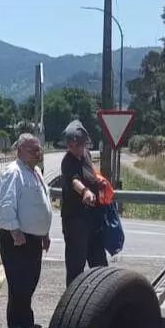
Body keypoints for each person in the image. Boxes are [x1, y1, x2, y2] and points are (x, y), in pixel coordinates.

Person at [0, 133, 51, 328]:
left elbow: (41, 203)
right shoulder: (13, 172)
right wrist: (14, 230)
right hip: (16, 238)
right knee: (18, 282)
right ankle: (16, 323)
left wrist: (44, 233)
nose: (38, 153)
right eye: (33, 150)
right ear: (20, 151)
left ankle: (27, 321)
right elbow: (5, 203)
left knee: (31, 280)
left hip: (33, 238)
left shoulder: (35, 172)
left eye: (39, 149)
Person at [58, 120, 109, 285]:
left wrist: (98, 182)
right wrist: (85, 191)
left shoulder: (86, 155)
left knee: (100, 264)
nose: (74, 148)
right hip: (75, 221)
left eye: (78, 144)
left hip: (92, 218)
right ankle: (72, 298)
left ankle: (103, 296)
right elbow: (74, 181)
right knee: (76, 267)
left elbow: (89, 174)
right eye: (70, 145)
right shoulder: (67, 161)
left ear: (84, 143)